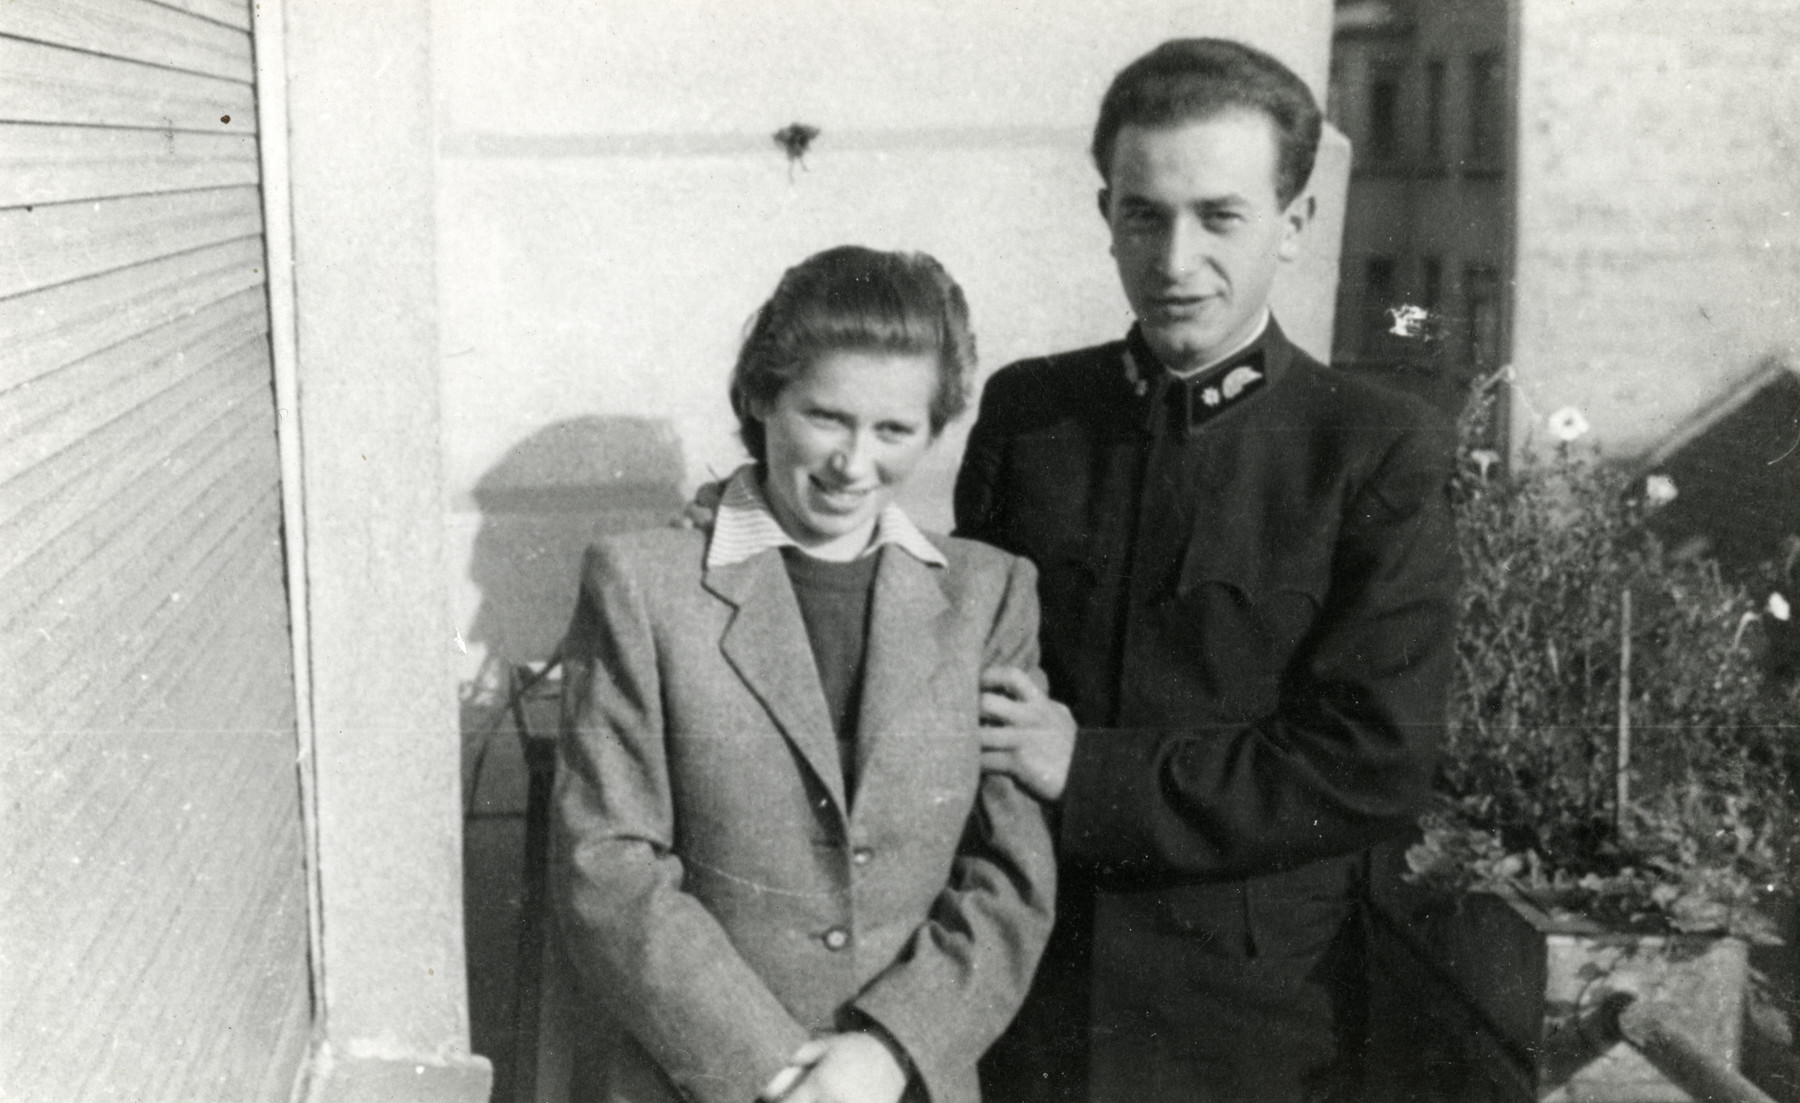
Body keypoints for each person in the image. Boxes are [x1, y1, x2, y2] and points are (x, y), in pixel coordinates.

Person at [957, 38, 1459, 1103]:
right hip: (1023, 993)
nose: (1174, 260)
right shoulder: (1030, 415)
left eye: (1219, 216)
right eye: (1144, 214)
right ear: (1107, 214)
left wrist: (1085, 769)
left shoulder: (1370, 446)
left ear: (1297, 222)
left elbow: (1371, 761)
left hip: (1250, 1028)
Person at [552, 245, 1057, 1103]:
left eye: (894, 430)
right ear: (762, 396)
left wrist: (889, 1049)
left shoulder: (989, 593)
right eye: (826, 416)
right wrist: (777, 1072)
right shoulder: (642, 585)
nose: (853, 463)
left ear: (937, 430)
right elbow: (609, 864)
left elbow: (1010, 872)